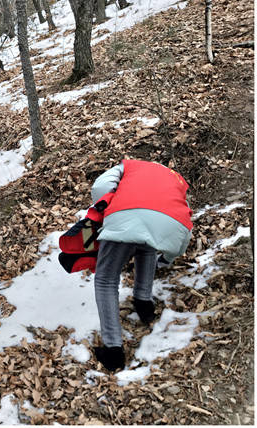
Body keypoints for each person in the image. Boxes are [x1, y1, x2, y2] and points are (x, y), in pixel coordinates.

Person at [90, 159, 193, 372]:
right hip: (165, 224)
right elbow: (182, 218)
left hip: (124, 215)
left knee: (105, 280)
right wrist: (167, 259)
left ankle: (113, 351)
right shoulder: (175, 179)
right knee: (147, 245)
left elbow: (100, 186)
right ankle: (144, 303)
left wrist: (105, 209)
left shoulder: (128, 166)